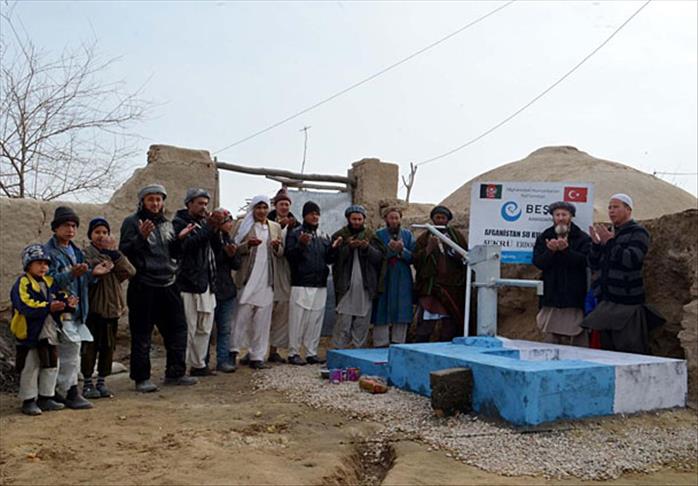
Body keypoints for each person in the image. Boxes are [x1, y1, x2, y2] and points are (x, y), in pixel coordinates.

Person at [119, 184, 198, 392]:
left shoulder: (167, 224)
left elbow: (173, 253)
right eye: (151, 199)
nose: (155, 203)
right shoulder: (132, 222)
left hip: (169, 284)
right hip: (143, 285)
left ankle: (175, 373)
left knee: (177, 330)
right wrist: (140, 238)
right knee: (142, 334)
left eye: (158, 199)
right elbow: (125, 251)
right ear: (142, 201)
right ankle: (141, 378)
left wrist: (180, 240)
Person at [46, 206, 113, 409]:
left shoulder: (76, 251)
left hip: (77, 310)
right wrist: (71, 274)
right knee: (66, 352)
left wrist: (93, 274)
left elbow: (82, 281)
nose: (70, 230)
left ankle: (65, 390)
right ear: (56, 228)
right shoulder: (49, 253)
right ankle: (65, 391)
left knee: (72, 351)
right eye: (66, 225)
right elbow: (48, 281)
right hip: (61, 310)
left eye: (74, 226)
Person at [581, 194, 664, 354]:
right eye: (609, 207)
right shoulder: (609, 233)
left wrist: (610, 243)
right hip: (606, 302)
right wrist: (597, 246)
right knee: (607, 353)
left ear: (628, 210)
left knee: (630, 351)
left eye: (616, 207)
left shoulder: (638, 233)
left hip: (627, 305)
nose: (611, 211)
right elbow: (594, 264)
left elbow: (631, 260)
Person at [10, 244, 71, 415]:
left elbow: (61, 297)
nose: (43, 267)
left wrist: (68, 304)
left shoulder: (49, 282)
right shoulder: (23, 283)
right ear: (28, 265)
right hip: (31, 332)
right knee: (31, 365)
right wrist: (48, 307)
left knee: (51, 364)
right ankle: (29, 399)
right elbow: (24, 305)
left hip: (49, 331)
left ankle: (46, 396)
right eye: (38, 263)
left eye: (46, 263)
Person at [81, 217, 136, 398]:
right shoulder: (86, 254)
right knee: (89, 348)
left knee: (108, 347)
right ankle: (87, 382)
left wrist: (114, 254)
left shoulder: (114, 254)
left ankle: (102, 381)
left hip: (112, 310)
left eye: (105, 232)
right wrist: (96, 270)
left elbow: (130, 271)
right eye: (97, 232)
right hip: (93, 310)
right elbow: (84, 275)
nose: (101, 236)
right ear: (90, 235)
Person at [172, 188, 224, 377]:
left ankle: (199, 364)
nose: (204, 207)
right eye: (200, 203)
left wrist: (215, 229)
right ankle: (180, 368)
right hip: (188, 283)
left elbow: (216, 251)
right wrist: (209, 227)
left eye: (205, 204)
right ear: (189, 204)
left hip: (206, 282)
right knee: (188, 327)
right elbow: (186, 247)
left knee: (205, 327)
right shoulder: (179, 223)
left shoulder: (205, 223)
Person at [230, 195, 284, 369]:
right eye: (258, 208)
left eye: (264, 208)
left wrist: (276, 247)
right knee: (240, 319)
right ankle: (233, 352)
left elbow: (281, 252)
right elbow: (233, 248)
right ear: (253, 209)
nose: (262, 211)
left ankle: (257, 356)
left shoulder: (275, 227)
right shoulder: (243, 225)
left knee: (262, 320)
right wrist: (248, 245)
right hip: (247, 279)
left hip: (266, 279)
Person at [532, 201, 591, 346]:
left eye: (564, 214)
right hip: (551, 296)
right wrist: (550, 251)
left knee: (576, 339)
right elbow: (538, 262)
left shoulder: (582, 237)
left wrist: (566, 251)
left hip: (573, 297)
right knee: (550, 340)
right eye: (557, 215)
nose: (560, 218)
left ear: (571, 216)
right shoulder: (545, 237)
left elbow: (585, 261)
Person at [285, 201, 337, 365]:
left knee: (315, 320)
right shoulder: (295, 233)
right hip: (301, 283)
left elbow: (328, 259)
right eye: (311, 214)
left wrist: (334, 249)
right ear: (305, 215)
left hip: (319, 283)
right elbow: (290, 256)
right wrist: (301, 244)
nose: (315, 217)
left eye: (317, 214)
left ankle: (311, 353)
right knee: (297, 319)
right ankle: (293, 352)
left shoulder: (323, 236)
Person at [331, 205, 384, 349]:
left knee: (362, 320)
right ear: (348, 219)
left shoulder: (371, 236)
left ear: (363, 220)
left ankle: (357, 350)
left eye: (359, 219)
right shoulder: (339, 235)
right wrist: (348, 247)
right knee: (344, 320)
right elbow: (333, 257)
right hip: (346, 285)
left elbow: (379, 258)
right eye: (354, 219)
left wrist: (366, 248)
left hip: (365, 285)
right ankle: (339, 350)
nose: (356, 222)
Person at [413, 205, 468, 343]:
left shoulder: (456, 236)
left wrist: (451, 249)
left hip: (452, 288)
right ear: (433, 219)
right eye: (437, 217)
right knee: (426, 324)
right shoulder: (424, 238)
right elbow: (416, 260)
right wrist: (429, 249)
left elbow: (465, 257)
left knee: (449, 324)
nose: (440, 220)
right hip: (431, 287)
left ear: (447, 220)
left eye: (443, 218)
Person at [371, 207, 415, 347]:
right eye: (391, 218)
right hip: (385, 276)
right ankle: (380, 343)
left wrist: (402, 250)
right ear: (386, 219)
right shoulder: (379, 235)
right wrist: (390, 250)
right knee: (382, 308)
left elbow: (414, 257)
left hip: (402, 277)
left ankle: (399, 343)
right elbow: (375, 256)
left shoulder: (407, 235)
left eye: (397, 218)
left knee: (402, 309)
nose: (394, 221)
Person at [266, 187, 299, 363]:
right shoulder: (266, 222)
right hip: (267, 269)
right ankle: (254, 351)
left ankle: (274, 350)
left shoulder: (296, 225)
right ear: (275, 206)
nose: (284, 207)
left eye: (287, 204)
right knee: (263, 312)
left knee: (281, 312)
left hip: (285, 272)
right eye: (281, 204)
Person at [205, 208, 240, 373]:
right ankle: (202, 361)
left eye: (230, 221)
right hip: (211, 288)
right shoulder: (210, 239)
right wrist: (223, 254)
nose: (229, 224)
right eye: (226, 221)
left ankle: (223, 360)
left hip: (227, 290)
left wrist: (232, 255)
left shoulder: (229, 239)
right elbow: (210, 262)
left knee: (225, 329)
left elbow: (237, 265)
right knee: (206, 329)